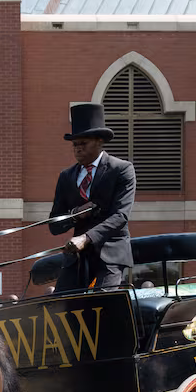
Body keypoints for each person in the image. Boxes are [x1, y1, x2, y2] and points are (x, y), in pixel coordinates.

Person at [48, 102, 135, 292]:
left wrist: (86, 238)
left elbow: (120, 216)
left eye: (83, 144)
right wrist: (74, 215)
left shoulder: (121, 169)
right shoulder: (66, 176)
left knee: (101, 304)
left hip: (110, 253)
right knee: (60, 306)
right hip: (77, 256)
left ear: (99, 142)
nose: (78, 149)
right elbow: (54, 225)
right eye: (75, 145)